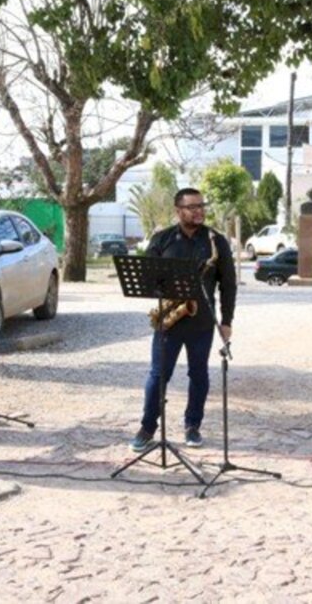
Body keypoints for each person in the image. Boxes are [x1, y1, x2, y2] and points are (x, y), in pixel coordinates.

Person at [130, 188, 237, 451]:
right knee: (158, 375)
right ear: (178, 211)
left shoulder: (216, 241)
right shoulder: (162, 239)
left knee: (199, 374)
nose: (198, 210)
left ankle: (193, 426)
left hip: (202, 321)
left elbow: (229, 284)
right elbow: (146, 278)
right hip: (170, 320)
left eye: (201, 205)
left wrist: (226, 321)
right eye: (192, 207)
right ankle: (147, 427)